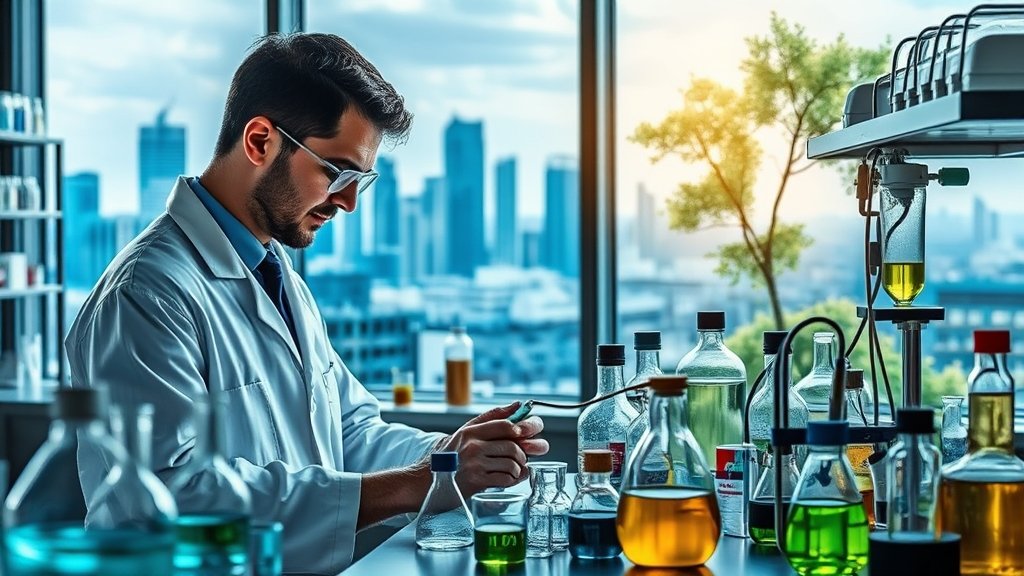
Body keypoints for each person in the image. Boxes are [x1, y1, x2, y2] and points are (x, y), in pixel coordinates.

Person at [65, 32, 547, 574]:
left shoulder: (276, 274)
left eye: (360, 181)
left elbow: (348, 431)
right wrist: (424, 481)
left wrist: (453, 457)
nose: (347, 202)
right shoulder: (146, 293)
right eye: (336, 172)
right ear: (260, 141)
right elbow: (171, 498)